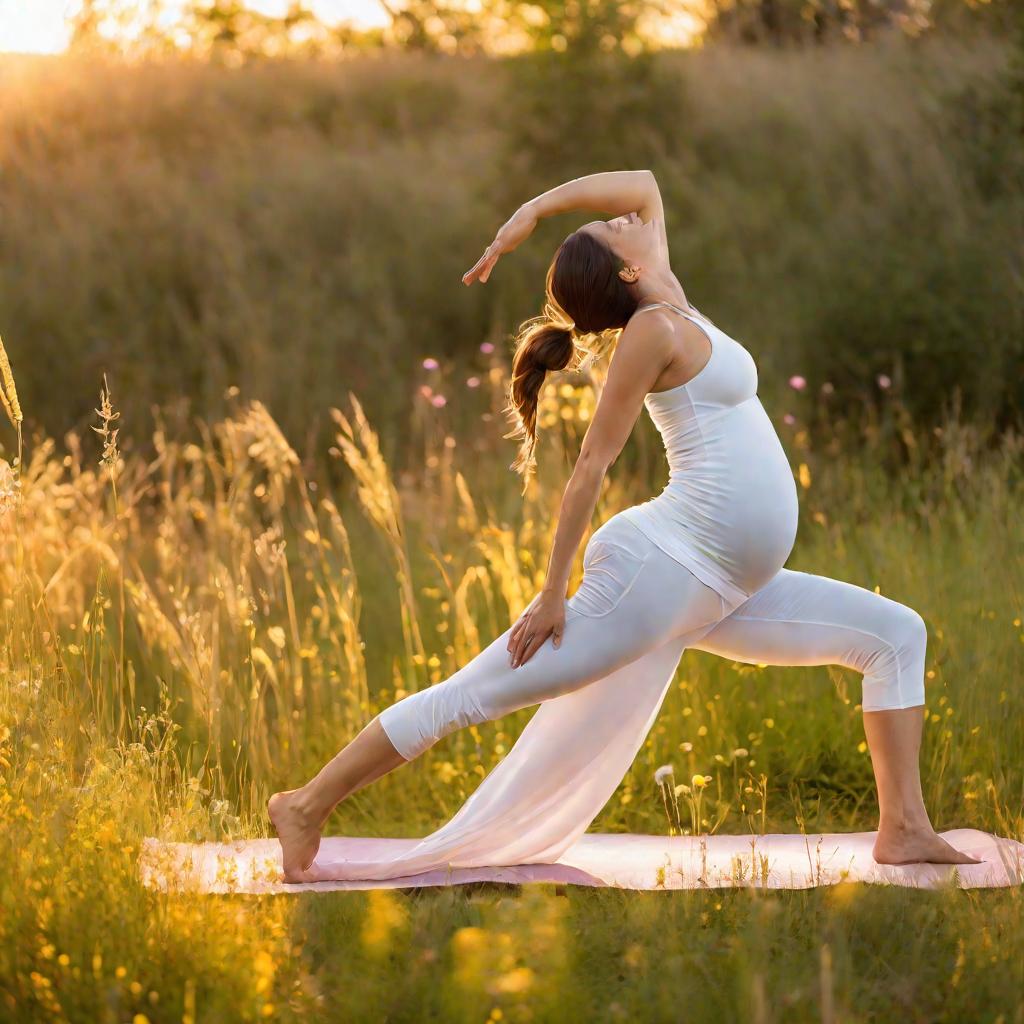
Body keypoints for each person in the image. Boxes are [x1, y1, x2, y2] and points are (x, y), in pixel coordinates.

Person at [269, 170, 980, 882]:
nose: (628, 218)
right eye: (614, 229)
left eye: (615, 223)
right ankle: (306, 806)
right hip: (665, 570)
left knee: (895, 635)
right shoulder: (651, 330)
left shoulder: (672, 298)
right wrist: (552, 592)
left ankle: (905, 828)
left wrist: (536, 209)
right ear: (628, 268)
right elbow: (590, 464)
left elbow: (640, 182)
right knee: (479, 692)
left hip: (728, 584)